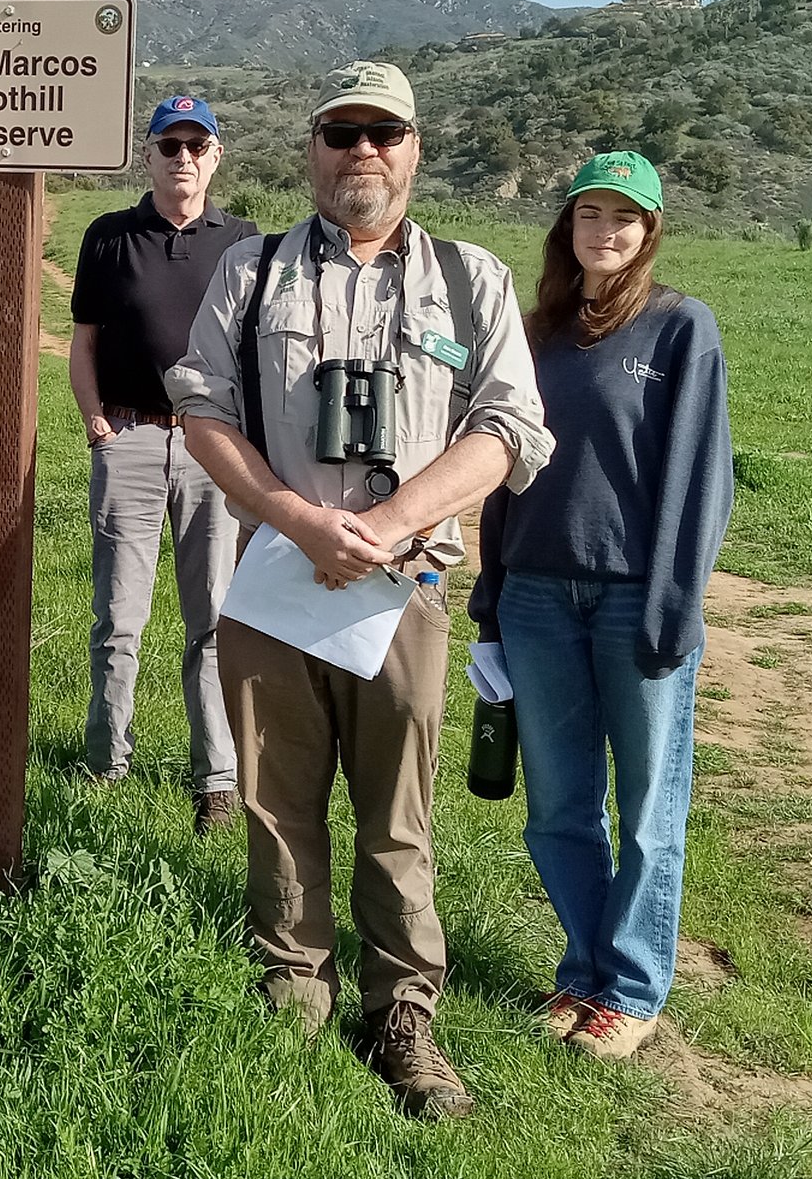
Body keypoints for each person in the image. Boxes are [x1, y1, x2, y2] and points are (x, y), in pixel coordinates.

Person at [169, 62, 553, 1117]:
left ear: (414, 147)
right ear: (311, 150)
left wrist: (384, 526)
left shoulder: (470, 279)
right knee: (276, 801)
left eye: (382, 133)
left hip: (402, 590)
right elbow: (204, 414)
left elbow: (509, 428)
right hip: (280, 580)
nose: (361, 153)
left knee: (397, 814)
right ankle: (294, 987)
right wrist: (297, 520)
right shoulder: (252, 274)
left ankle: (403, 1018)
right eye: (340, 133)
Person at [468, 152, 733, 1062]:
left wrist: (672, 602)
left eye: (625, 216)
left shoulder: (679, 330)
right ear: (567, 224)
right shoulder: (534, 332)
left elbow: (698, 478)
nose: (605, 230)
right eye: (591, 212)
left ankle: (632, 988)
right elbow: (499, 463)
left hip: (633, 602)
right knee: (558, 803)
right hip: (538, 595)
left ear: (649, 230)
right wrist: (493, 591)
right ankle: (582, 969)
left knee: (650, 805)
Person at [70, 94, 258, 833]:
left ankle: (215, 777)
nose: (182, 158)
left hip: (213, 443)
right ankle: (105, 762)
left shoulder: (244, 242)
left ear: (216, 156)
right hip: (131, 436)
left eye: (195, 146)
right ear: (146, 155)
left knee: (212, 617)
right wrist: (94, 420)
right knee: (118, 616)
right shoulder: (110, 237)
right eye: (168, 145)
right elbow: (83, 340)